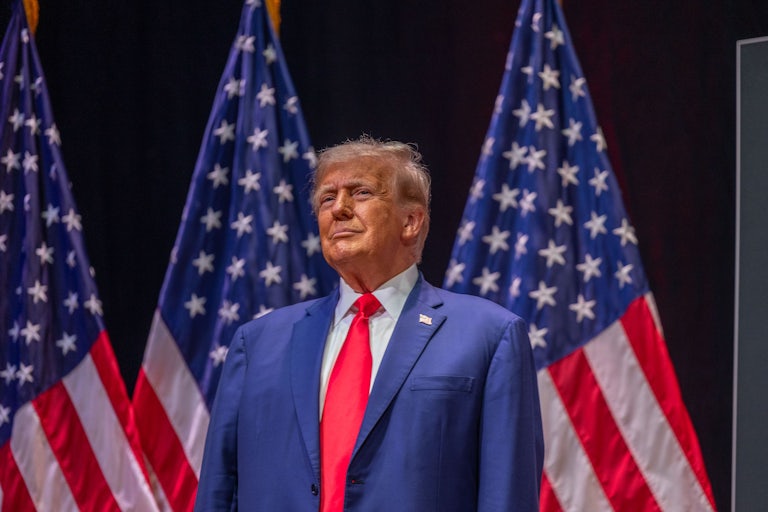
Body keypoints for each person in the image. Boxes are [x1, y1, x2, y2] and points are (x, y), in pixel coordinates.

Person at [194, 136, 544, 511]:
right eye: (327, 198)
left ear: (410, 221)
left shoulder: (489, 336)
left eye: (360, 193)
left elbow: (507, 494)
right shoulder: (258, 343)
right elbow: (219, 490)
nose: (339, 209)